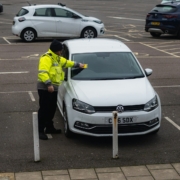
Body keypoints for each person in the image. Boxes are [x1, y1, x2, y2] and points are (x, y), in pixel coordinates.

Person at [37, 39, 84, 140]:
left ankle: (49, 127)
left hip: (53, 88)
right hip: (45, 88)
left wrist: (79, 65)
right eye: (60, 50)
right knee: (44, 110)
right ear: (55, 50)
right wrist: (48, 85)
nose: (61, 52)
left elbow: (67, 62)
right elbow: (42, 72)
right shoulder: (46, 58)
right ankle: (40, 130)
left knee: (51, 109)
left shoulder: (57, 58)